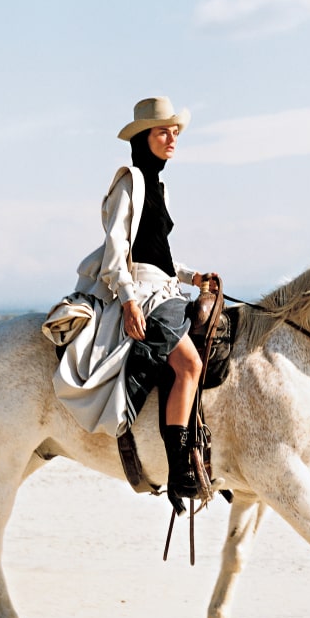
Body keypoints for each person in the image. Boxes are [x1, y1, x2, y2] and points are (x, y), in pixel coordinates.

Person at [46, 96, 218, 503]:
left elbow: (159, 253)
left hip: (165, 287)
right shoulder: (130, 182)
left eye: (175, 131)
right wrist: (127, 301)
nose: (172, 137)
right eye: (163, 131)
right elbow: (116, 249)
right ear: (143, 138)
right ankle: (180, 471)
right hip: (141, 291)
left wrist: (194, 277)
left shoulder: (161, 187)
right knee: (189, 363)